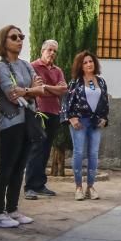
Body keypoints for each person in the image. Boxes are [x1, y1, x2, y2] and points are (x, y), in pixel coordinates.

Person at [0, 25, 45, 227]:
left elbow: (41, 89)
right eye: (14, 37)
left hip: (28, 121)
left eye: (21, 37)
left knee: (20, 167)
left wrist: (27, 91)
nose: (19, 40)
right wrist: (29, 90)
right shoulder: (1, 68)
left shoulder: (25, 65)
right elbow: (12, 94)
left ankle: (12, 209)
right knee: (6, 167)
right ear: (4, 41)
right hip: (11, 123)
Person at [25, 39, 68, 198]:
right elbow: (37, 90)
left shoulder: (58, 70)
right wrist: (52, 89)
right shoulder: (33, 67)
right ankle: (29, 186)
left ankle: (40, 184)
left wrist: (47, 88)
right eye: (49, 50)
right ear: (42, 50)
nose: (52, 53)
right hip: (39, 112)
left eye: (55, 51)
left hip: (54, 112)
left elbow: (63, 89)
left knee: (46, 149)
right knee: (36, 149)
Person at [65, 51, 110, 200]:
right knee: (78, 153)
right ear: (80, 66)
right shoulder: (75, 82)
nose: (89, 64)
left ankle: (90, 187)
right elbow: (67, 103)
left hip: (95, 123)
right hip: (80, 121)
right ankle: (78, 187)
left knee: (93, 154)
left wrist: (104, 118)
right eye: (85, 62)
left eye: (91, 61)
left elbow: (105, 102)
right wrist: (72, 118)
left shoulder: (101, 81)